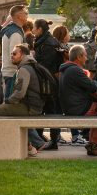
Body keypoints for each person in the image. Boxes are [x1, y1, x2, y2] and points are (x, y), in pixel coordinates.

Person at [0, 44, 49, 158]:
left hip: (28, 107)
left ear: (23, 55)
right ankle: (29, 147)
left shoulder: (24, 69)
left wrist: (8, 101)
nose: (12, 56)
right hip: (33, 106)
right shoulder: (31, 66)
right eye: (11, 53)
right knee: (3, 114)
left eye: (15, 54)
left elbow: (19, 93)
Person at [57, 44, 97, 156]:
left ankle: (93, 145)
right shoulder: (74, 70)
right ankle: (94, 144)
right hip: (77, 108)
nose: (87, 59)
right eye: (85, 56)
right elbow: (92, 86)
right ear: (79, 56)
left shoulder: (66, 69)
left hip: (71, 107)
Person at [32, 18, 65, 150]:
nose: (33, 30)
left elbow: (45, 65)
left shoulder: (47, 43)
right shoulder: (45, 41)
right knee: (46, 110)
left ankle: (53, 141)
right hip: (48, 80)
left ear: (40, 29)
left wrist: (34, 59)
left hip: (48, 82)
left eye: (34, 28)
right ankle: (41, 139)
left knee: (50, 111)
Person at [0, 5, 29, 96]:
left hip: (9, 73)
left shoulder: (13, 30)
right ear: (19, 16)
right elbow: (14, 56)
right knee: (10, 105)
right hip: (12, 74)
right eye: (25, 13)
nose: (27, 16)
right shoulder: (15, 33)